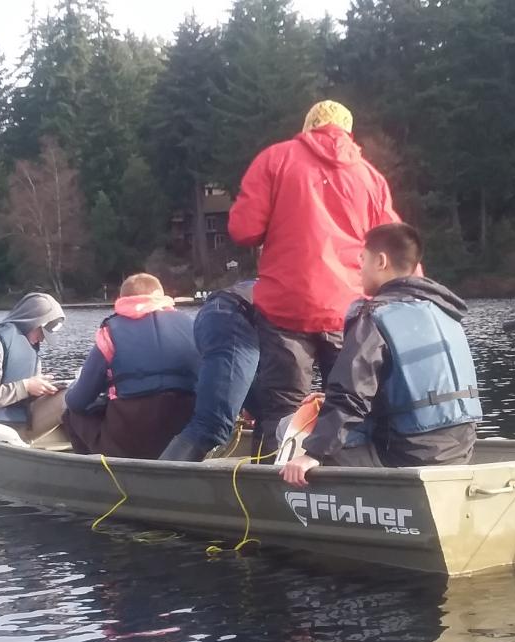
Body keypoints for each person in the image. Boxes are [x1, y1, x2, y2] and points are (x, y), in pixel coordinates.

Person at [228, 100, 401, 453]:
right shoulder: (371, 177)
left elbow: (244, 230)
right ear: (348, 132)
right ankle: (353, 489)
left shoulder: (275, 160)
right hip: (348, 310)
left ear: (309, 126)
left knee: (281, 412)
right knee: (352, 408)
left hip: (286, 309)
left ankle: (270, 494)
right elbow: (393, 247)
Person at [281, 223, 482, 487]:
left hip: (408, 454)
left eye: (362, 260)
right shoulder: (445, 313)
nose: (359, 269)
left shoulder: (374, 316)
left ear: (381, 261)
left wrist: (312, 454)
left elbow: (351, 395)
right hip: (460, 449)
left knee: (289, 425)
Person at [62, 273, 200, 458]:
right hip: (184, 434)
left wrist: (72, 390)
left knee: (71, 414)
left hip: (131, 438)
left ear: (122, 299)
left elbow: (78, 401)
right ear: (161, 295)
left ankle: (93, 475)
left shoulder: (109, 333)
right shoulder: (193, 327)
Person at [159, 280, 260, 461]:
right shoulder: (321, 303)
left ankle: (265, 481)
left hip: (227, 314)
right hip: (234, 317)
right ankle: (153, 485)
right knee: (212, 424)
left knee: (272, 412)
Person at [0, 292, 66, 437]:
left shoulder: (30, 349)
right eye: (41, 332)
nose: (42, 339)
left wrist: (41, 389)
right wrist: (26, 387)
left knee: (71, 396)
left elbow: (24, 395)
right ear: (30, 321)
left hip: (21, 422)